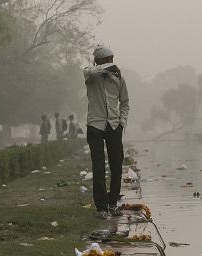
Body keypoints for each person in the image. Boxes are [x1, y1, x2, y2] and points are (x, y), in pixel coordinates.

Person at [83, 46, 129, 218]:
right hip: (95, 125)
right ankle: (101, 207)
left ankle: (113, 203)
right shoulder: (91, 76)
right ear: (99, 61)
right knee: (99, 167)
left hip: (114, 125)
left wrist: (122, 122)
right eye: (107, 60)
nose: (111, 63)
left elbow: (125, 102)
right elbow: (90, 71)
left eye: (112, 59)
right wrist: (107, 67)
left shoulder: (118, 78)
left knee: (116, 166)